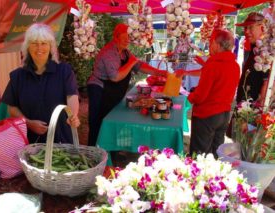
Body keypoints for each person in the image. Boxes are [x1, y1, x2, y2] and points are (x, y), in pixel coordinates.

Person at [87, 23, 167, 146]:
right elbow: (115, 77)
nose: (127, 41)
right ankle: (94, 149)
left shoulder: (124, 52)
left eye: (128, 38)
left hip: (111, 90)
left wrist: (159, 72)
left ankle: (111, 148)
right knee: (98, 121)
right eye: (124, 39)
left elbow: (139, 65)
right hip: (99, 88)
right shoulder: (109, 52)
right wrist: (131, 63)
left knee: (113, 118)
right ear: (116, 38)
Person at [2, 23, 80, 144]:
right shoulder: (18, 76)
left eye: (44, 43)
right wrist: (29, 123)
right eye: (34, 43)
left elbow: (72, 96)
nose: (39, 48)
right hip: (29, 140)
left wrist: (73, 115)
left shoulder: (64, 71)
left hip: (61, 138)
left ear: (51, 47)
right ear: (27, 47)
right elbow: (12, 107)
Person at [179, 29, 240, 158]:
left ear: (217, 45)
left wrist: (190, 96)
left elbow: (200, 96)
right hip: (224, 115)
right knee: (217, 152)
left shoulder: (213, 65)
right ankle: (214, 176)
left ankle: (198, 176)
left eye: (211, 43)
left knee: (199, 154)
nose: (209, 46)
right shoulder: (235, 65)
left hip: (207, 115)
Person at [235, 12, 268, 104]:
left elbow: (267, 83)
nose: (246, 31)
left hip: (252, 112)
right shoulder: (254, 48)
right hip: (244, 106)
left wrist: (259, 110)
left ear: (262, 27)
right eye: (245, 28)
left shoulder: (267, 52)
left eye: (250, 27)